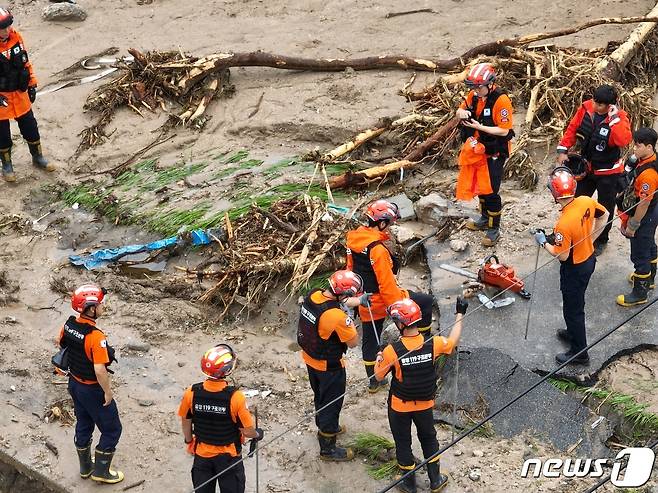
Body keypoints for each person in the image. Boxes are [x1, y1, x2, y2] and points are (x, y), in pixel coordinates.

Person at [374, 297, 467, 493]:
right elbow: (453, 342)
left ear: (401, 324)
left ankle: (409, 484)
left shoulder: (392, 351)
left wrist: (379, 357)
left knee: (403, 442)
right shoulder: (434, 343)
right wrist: (460, 313)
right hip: (425, 404)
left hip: (400, 406)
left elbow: (379, 376)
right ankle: (435, 480)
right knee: (429, 439)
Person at [346, 199, 434, 393]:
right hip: (382, 300)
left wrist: (357, 298)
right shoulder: (377, 249)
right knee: (426, 303)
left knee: (369, 342)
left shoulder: (353, 240)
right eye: (390, 223)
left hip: (365, 300)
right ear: (382, 223)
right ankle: (424, 343)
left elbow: (351, 270)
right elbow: (386, 283)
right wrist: (397, 307)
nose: (391, 227)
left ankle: (373, 382)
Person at [533, 168, 609, 364]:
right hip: (589, 258)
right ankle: (573, 333)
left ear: (555, 194)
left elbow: (562, 255)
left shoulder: (563, 225)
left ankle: (580, 352)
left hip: (574, 268)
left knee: (572, 309)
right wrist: (590, 240)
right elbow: (605, 215)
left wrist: (543, 242)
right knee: (577, 304)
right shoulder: (585, 201)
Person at [56, 284, 123, 484]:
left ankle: (86, 467)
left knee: (84, 423)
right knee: (112, 429)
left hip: (74, 384)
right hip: (92, 389)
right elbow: (100, 370)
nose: (103, 306)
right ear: (91, 308)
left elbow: (60, 343)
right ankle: (101, 471)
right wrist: (108, 392)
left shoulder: (68, 326)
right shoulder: (96, 337)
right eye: (100, 304)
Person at [556, 84, 632, 256]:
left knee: (605, 208)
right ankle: (573, 233)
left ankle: (601, 239)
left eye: (599, 104)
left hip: (609, 173)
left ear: (609, 105)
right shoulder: (586, 109)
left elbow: (623, 140)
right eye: (595, 101)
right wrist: (563, 150)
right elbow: (572, 128)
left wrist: (614, 120)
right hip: (586, 168)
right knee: (575, 202)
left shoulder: (620, 118)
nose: (595, 106)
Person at [298, 269, 365, 460]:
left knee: (320, 395)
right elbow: (352, 343)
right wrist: (350, 323)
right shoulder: (336, 317)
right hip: (329, 367)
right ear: (344, 294)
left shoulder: (314, 295)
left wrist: (358, 301)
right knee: (331, 404)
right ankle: (328, 449)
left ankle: (324, 425)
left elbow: (337, 303)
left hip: (310, 358)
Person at [178, 344, 264, 493]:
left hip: (202, 455)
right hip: (229, 458)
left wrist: (189, 441)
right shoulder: (236, 398)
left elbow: (186, 420)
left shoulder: (191, 393)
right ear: (226, 371)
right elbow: (248, 431)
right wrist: (258, 434)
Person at [456, 62, 514, 246]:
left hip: (495, 151)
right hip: (477, 150)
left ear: (489, 84)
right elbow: (459, 109)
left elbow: (504, 130)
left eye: (478, 87)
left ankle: (493, 228)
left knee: (491, 191)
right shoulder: (474, 95)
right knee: (481, 186)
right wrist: (462, 114)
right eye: (473, 88)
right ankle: (483, 218)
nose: (475, 91)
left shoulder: (501, 101)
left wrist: (479, 127)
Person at [0, 7, 54, 182]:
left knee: (30, 126)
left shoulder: (17, 38)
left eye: (9, 26)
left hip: (19, 92)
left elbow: (26, 63)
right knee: (2, 134)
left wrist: (32, 84)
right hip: (2, 98)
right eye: (3, 27)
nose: (7, 30)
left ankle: (37, 157)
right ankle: (7, 166)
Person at [616, 128, 658, 306]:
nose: (634, 148)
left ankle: (640, 292)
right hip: (653, 211)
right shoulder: (649, 159)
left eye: (638, 145)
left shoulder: (649, 174)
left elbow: (643, 203)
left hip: (645, 215)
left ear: (649, 147)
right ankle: (650, 278)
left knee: (640, 251)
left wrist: (633, 225)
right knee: (649, 244)